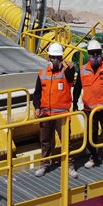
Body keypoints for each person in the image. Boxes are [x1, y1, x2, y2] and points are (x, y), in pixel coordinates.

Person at [73, 40, 103, 174]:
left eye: (97, 53)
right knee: (91, 136)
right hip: (90, 111)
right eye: (92, 53)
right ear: (88, 54)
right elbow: (77, 88)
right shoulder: (83, 70)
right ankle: (93, 157)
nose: (95, 56)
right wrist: (74, 104)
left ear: (101, 54)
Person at [31, 43, 78, 178]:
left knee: (65, 141)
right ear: (49, 58)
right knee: (45, 141)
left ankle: (69, 165)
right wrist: (38, 108)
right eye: (53, 57)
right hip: (46, 114)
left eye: (58, 57)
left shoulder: (66, 72)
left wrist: (71, 68)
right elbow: (37, 94)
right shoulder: (42, 74)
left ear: (61, 58)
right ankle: (44, 164)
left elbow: (70, 77)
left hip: (62, 115)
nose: (55, 60)